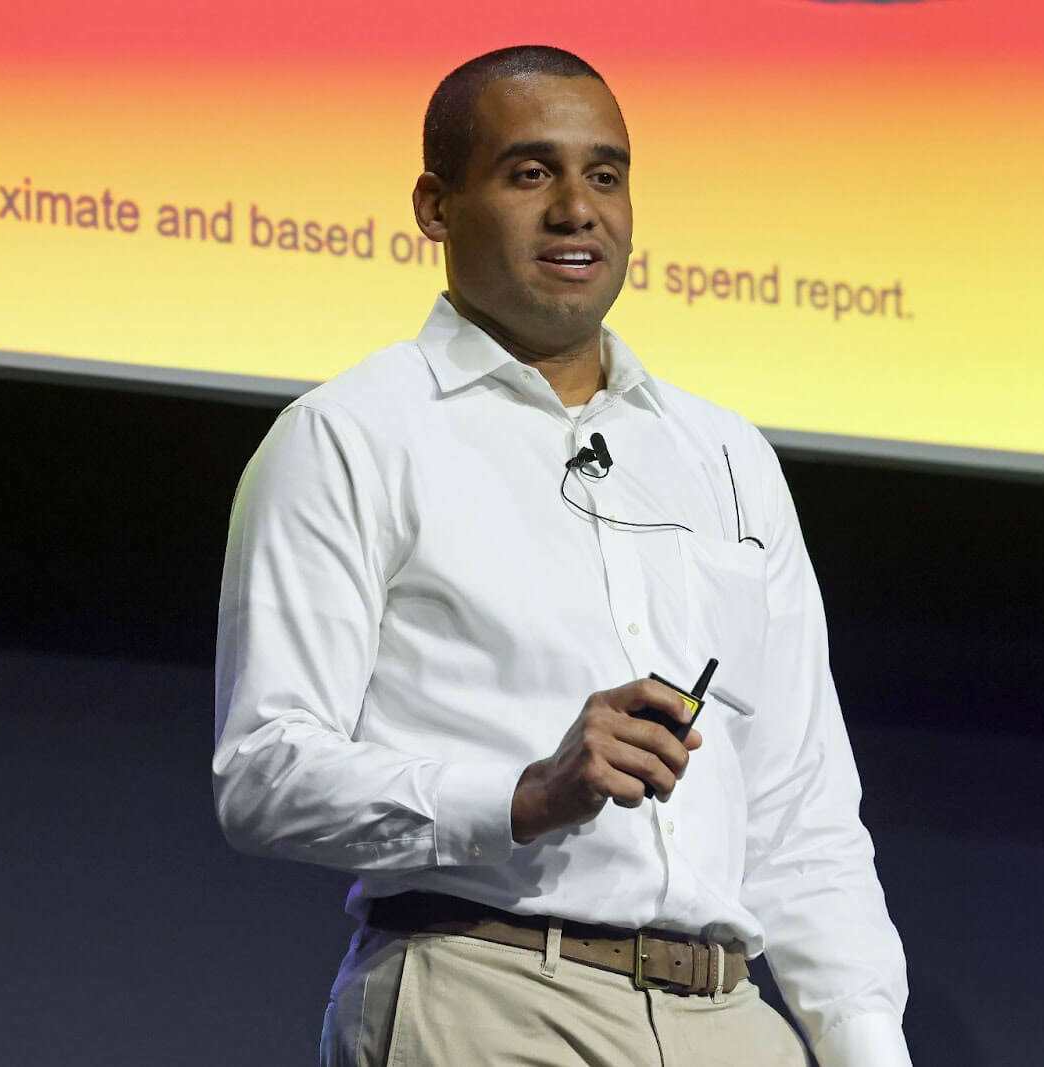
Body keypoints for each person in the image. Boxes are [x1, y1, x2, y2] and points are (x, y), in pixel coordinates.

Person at [213, 45, 911, 1067]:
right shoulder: (351, 436)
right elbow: (266, 770)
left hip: (729, 1020)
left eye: (606, 174)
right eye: (529, 172)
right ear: (435, 205)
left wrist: (862, 1042)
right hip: (488, 994)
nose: (578, 209)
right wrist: (522, 793)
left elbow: (801, 802)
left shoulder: (723, 456)